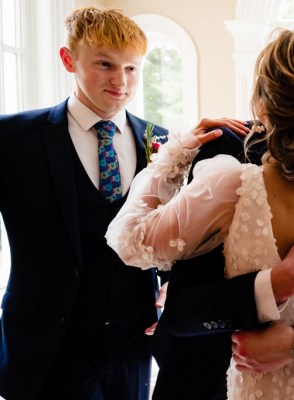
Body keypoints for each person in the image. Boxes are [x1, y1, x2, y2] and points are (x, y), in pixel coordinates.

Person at [106, 24, 294, 399]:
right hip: (209, 379)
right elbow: (184, 307)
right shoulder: (226, 149)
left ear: (265, 102)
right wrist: (279, 281)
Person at [0, 7, 200, 399]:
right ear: (68, 60)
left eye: (131, 69)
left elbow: (179, 233)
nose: (120, 81)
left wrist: (174, 285)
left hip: (134, 342)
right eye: (105, 65)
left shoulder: (163, 142)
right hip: (50, 345)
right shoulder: (11, 138)